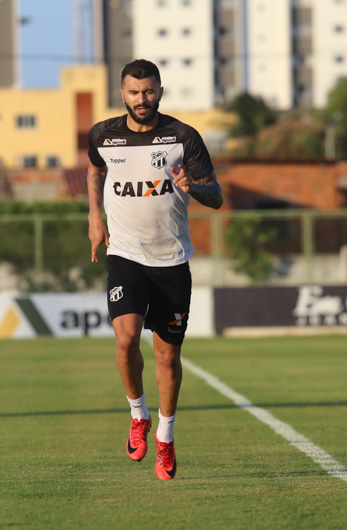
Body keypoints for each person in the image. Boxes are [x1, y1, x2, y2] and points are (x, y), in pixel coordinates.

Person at [86, 59, 223, 480]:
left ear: (160, 91)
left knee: (167, 356)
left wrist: (193, 187)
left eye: (148, 91)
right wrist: (94, 216)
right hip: (125, 255)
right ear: (121, 93)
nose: (140, 99)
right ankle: (137, 414)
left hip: (172, 261)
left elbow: (216, 196)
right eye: (132, 92)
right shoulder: (103, 135)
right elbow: (94, 170)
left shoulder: (183, 138)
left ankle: (165, 437)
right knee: (126, 340)